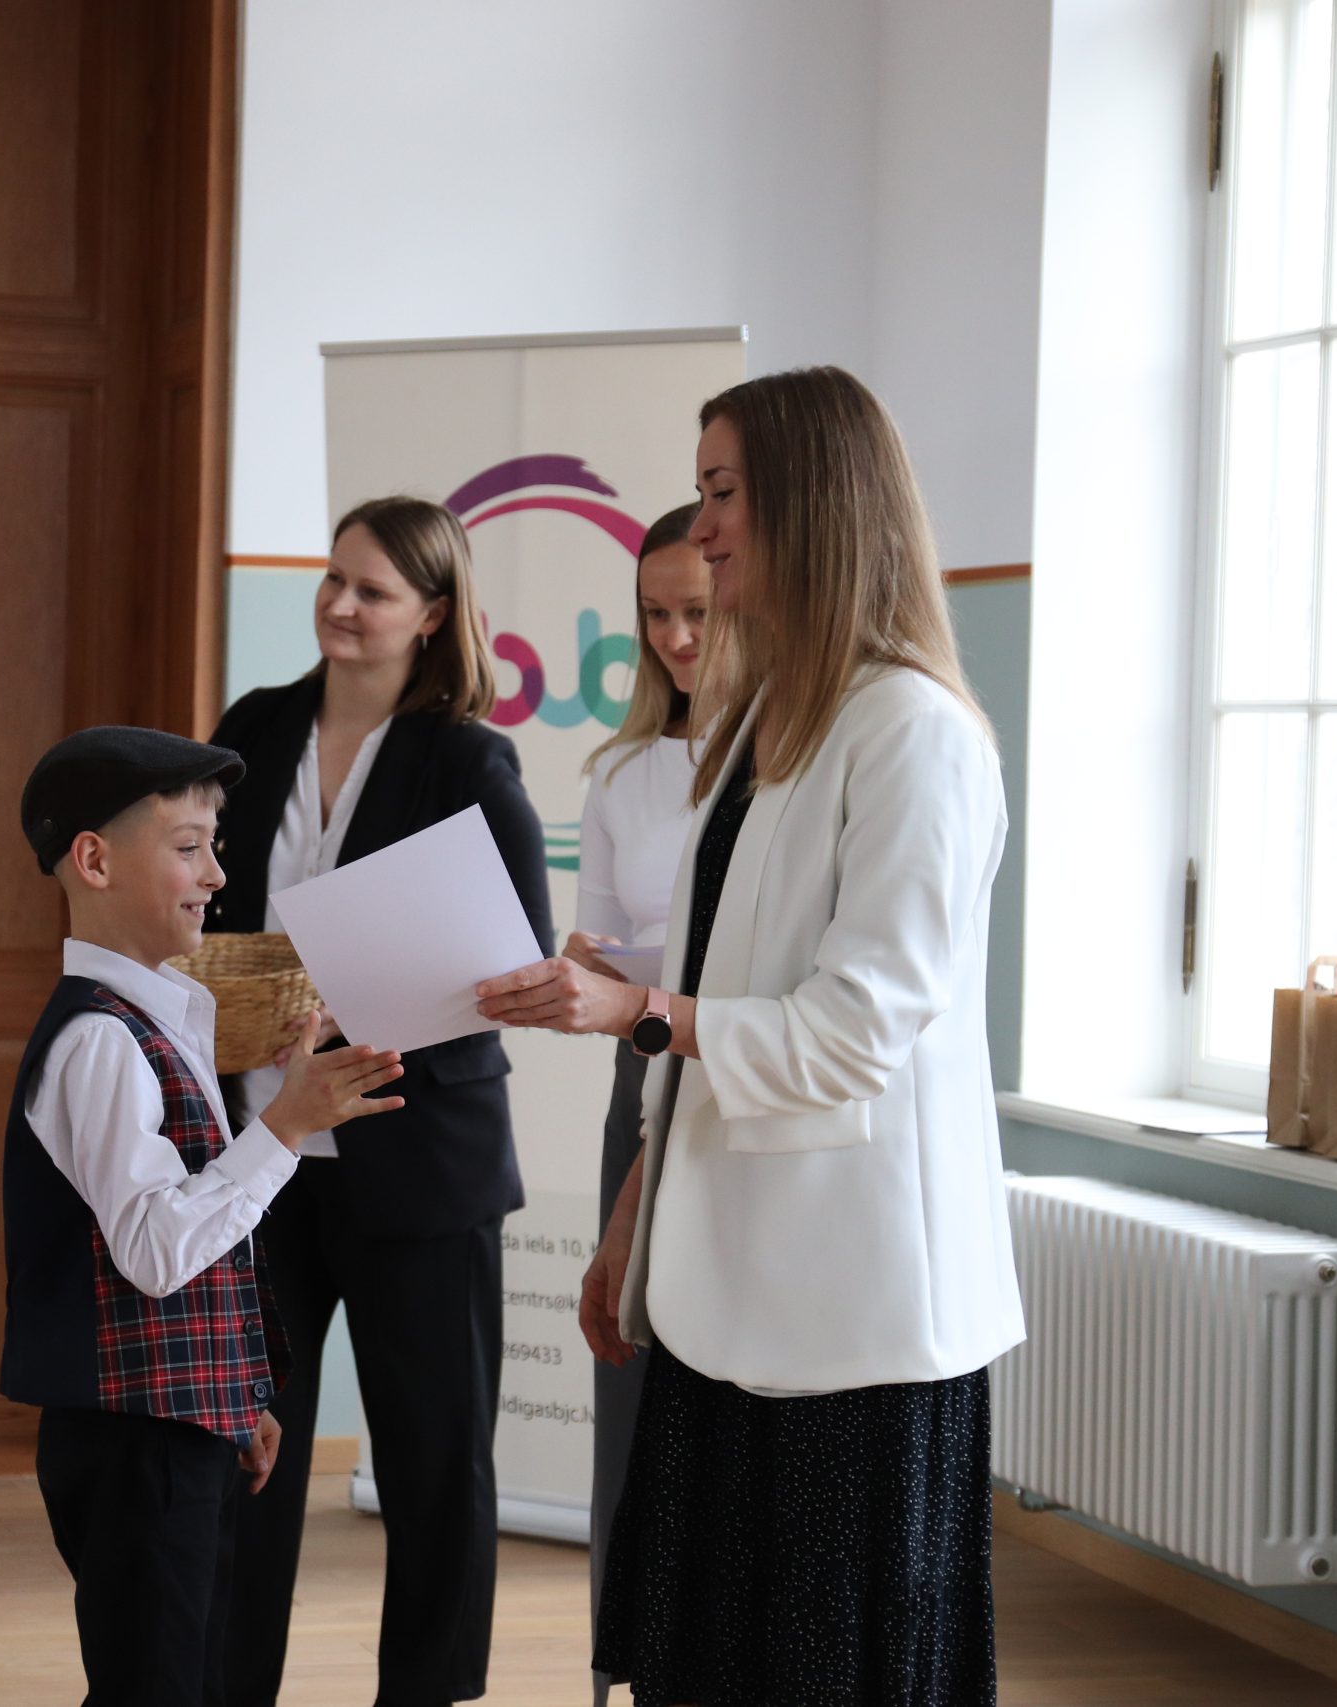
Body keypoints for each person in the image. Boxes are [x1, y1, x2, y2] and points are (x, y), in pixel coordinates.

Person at [476, 368, 1025, 1706]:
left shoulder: (914, 734)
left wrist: (640, 1011)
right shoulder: (764, 724)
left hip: (852, 1321)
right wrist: (636, 1213)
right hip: (724, 1292)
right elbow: (718, 983)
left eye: (723, 494)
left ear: (813, 501)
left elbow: (854, 1033)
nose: (702, 528)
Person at [208, 496, 553, 1707]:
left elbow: (516, 962)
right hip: (264, 1151)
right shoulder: (253, 727)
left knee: (433, 1466)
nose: (340, 606)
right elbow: (201, 900)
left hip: (420, 1160)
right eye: (333, 579)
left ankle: (425, 1696)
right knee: (245, 1452)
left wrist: (359, 995)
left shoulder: (466, 759)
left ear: (434, 615)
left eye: (372, 591)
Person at [0, 726, 408, 1706]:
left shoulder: (160, 1018)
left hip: (177, 1430)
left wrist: (235, 1398)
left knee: (182, 1675)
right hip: (133, 1443)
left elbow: (203, 1231)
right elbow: (154, 1249)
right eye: (188, 848)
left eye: (213, 846)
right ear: (94, 860)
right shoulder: (101, 1041)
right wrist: (285, 1126)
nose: (216, 874)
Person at [564, 500, 708, 1707]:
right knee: (629, 1353)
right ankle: (627, 1656)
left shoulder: (798, 759)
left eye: (697, 612)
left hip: (740, 1071)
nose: (674, 639)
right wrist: (588, 978)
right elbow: (602, 949)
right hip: (644, 1067)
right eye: (654, 615)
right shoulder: (619, 771)